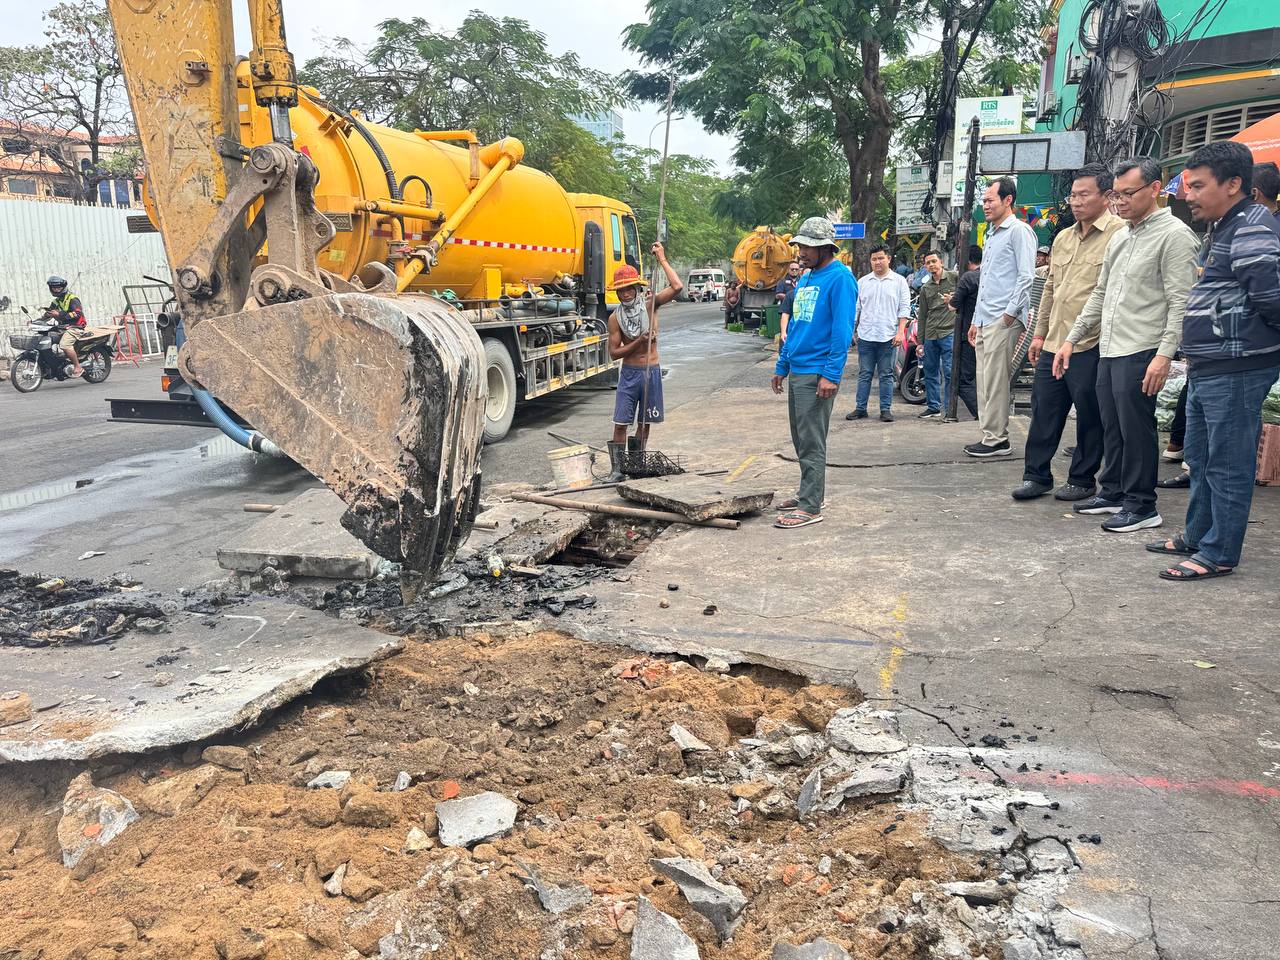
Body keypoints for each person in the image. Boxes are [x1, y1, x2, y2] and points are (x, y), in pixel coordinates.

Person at [1155, 141, 1280, 580]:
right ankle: (1198, 534)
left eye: (1198, 186)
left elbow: (1272, 298)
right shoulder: (1225, 226)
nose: (1188, 195)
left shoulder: (1251, 227)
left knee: (1228, 463)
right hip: (1210, 366)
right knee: (1201, 456)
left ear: (1233, 184)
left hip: (1236, 367)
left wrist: (1249, 342)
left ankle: (1219, 552)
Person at [1053, 157, 1199, 533]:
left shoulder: (1175, 235)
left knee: (1136, 429)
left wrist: (1164, 355)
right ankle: (1114, 491)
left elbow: (1181, 302)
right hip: (1110, 346)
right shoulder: (1122, 236)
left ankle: (1141, 504)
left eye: (1128, 193)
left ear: (1155, 188)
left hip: (1143, 347)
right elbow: (1101, 294)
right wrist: (1071, 339)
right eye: (1116, 195)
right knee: (1112, 426)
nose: (1119, 201)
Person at [1012, 163, 1125, 503]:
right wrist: (1038, 334)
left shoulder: (1120, 235)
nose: (1075, 202)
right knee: (1044, 409)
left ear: (1107, 196)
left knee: (1089, 414)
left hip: (1090, 343)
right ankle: (1036, 475)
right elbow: (1050, 289)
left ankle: (1082, 478)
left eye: (1083, 195)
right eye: (1073, 195)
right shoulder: (1063, 237)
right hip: (1053, 341)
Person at [771, 216, 856, 529]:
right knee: (800, 438)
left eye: (808, 247)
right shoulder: (807, 277)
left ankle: (810, 506)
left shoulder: (840, 278)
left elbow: (842, 330)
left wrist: (831, 374)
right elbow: (796, 325)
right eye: (800, 246)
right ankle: (809, 493)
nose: (802, 252)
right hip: (798, 369)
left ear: (826, 248)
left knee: (812, 441)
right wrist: (782, 365)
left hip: (817, 372)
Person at [966, 177, 1036, 457]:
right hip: (986, 317)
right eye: (983, 201)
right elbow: (986, 281)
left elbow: (1026, 276)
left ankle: (997, 439)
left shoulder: (1019, 231)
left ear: (1008, 200)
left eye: (990, 200)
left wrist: (1009, 314)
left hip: (1003, 317)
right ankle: (989, 434)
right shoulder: (991, 234)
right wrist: (976, 320)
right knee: (984, 379)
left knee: (996, 380)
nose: (985, 205)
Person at [604, 243, 683, 480]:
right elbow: (614, 353)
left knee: (644, 422)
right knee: (620, 422)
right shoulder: (615, 318)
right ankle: (618, 469)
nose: (626, 294)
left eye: (629, 289)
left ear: (637, 288)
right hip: (630, 374)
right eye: (621, 290)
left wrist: (662, 258)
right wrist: (639, 340)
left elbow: (677, 287)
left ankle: (636, 466)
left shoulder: (651, 305)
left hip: (651, 371)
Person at [847, 244, 910, 423]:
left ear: (888, 259)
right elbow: (856, 309)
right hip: (866, 336)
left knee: (886, 374)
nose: (877, 262)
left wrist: (900, 332)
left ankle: (885, 409)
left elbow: (904, 309)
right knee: (864, 374)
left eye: (881, 258)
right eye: (874, 259)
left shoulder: (899, 281)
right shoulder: (863, 282)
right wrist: (851, 331)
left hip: (888, 337)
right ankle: (860, 408)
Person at [914, 251, 957, 419]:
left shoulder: (955, 278)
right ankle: (933, 407)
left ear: (941, 262)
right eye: (928, 263)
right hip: (931, 334)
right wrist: (920, 342)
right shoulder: (926, 288)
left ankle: (949, 409)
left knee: (949, 372)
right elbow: (923, 315)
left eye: (934, 261)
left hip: (949, 332)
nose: (931, 265)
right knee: (930, 371)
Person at [946, 245, 983, 419]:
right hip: (989, 333)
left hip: (969, 336)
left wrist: (950, 300)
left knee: (962, 381)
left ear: (966, 261)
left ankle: (982, 414)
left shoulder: (968, 277)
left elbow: (953, 306)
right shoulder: (989, 276)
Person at [43, 275, 88, 377]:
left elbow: (77, 314)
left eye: (58, 288)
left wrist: (59, 314)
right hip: (63, 327)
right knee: (47, 339)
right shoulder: (56, 301)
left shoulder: (72, 299)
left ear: (63, 287)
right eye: (54, 288)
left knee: (64, 345)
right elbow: (48, 314)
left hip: (76, 327)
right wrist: (36, 321)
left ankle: (78, 367)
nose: (56, 290)